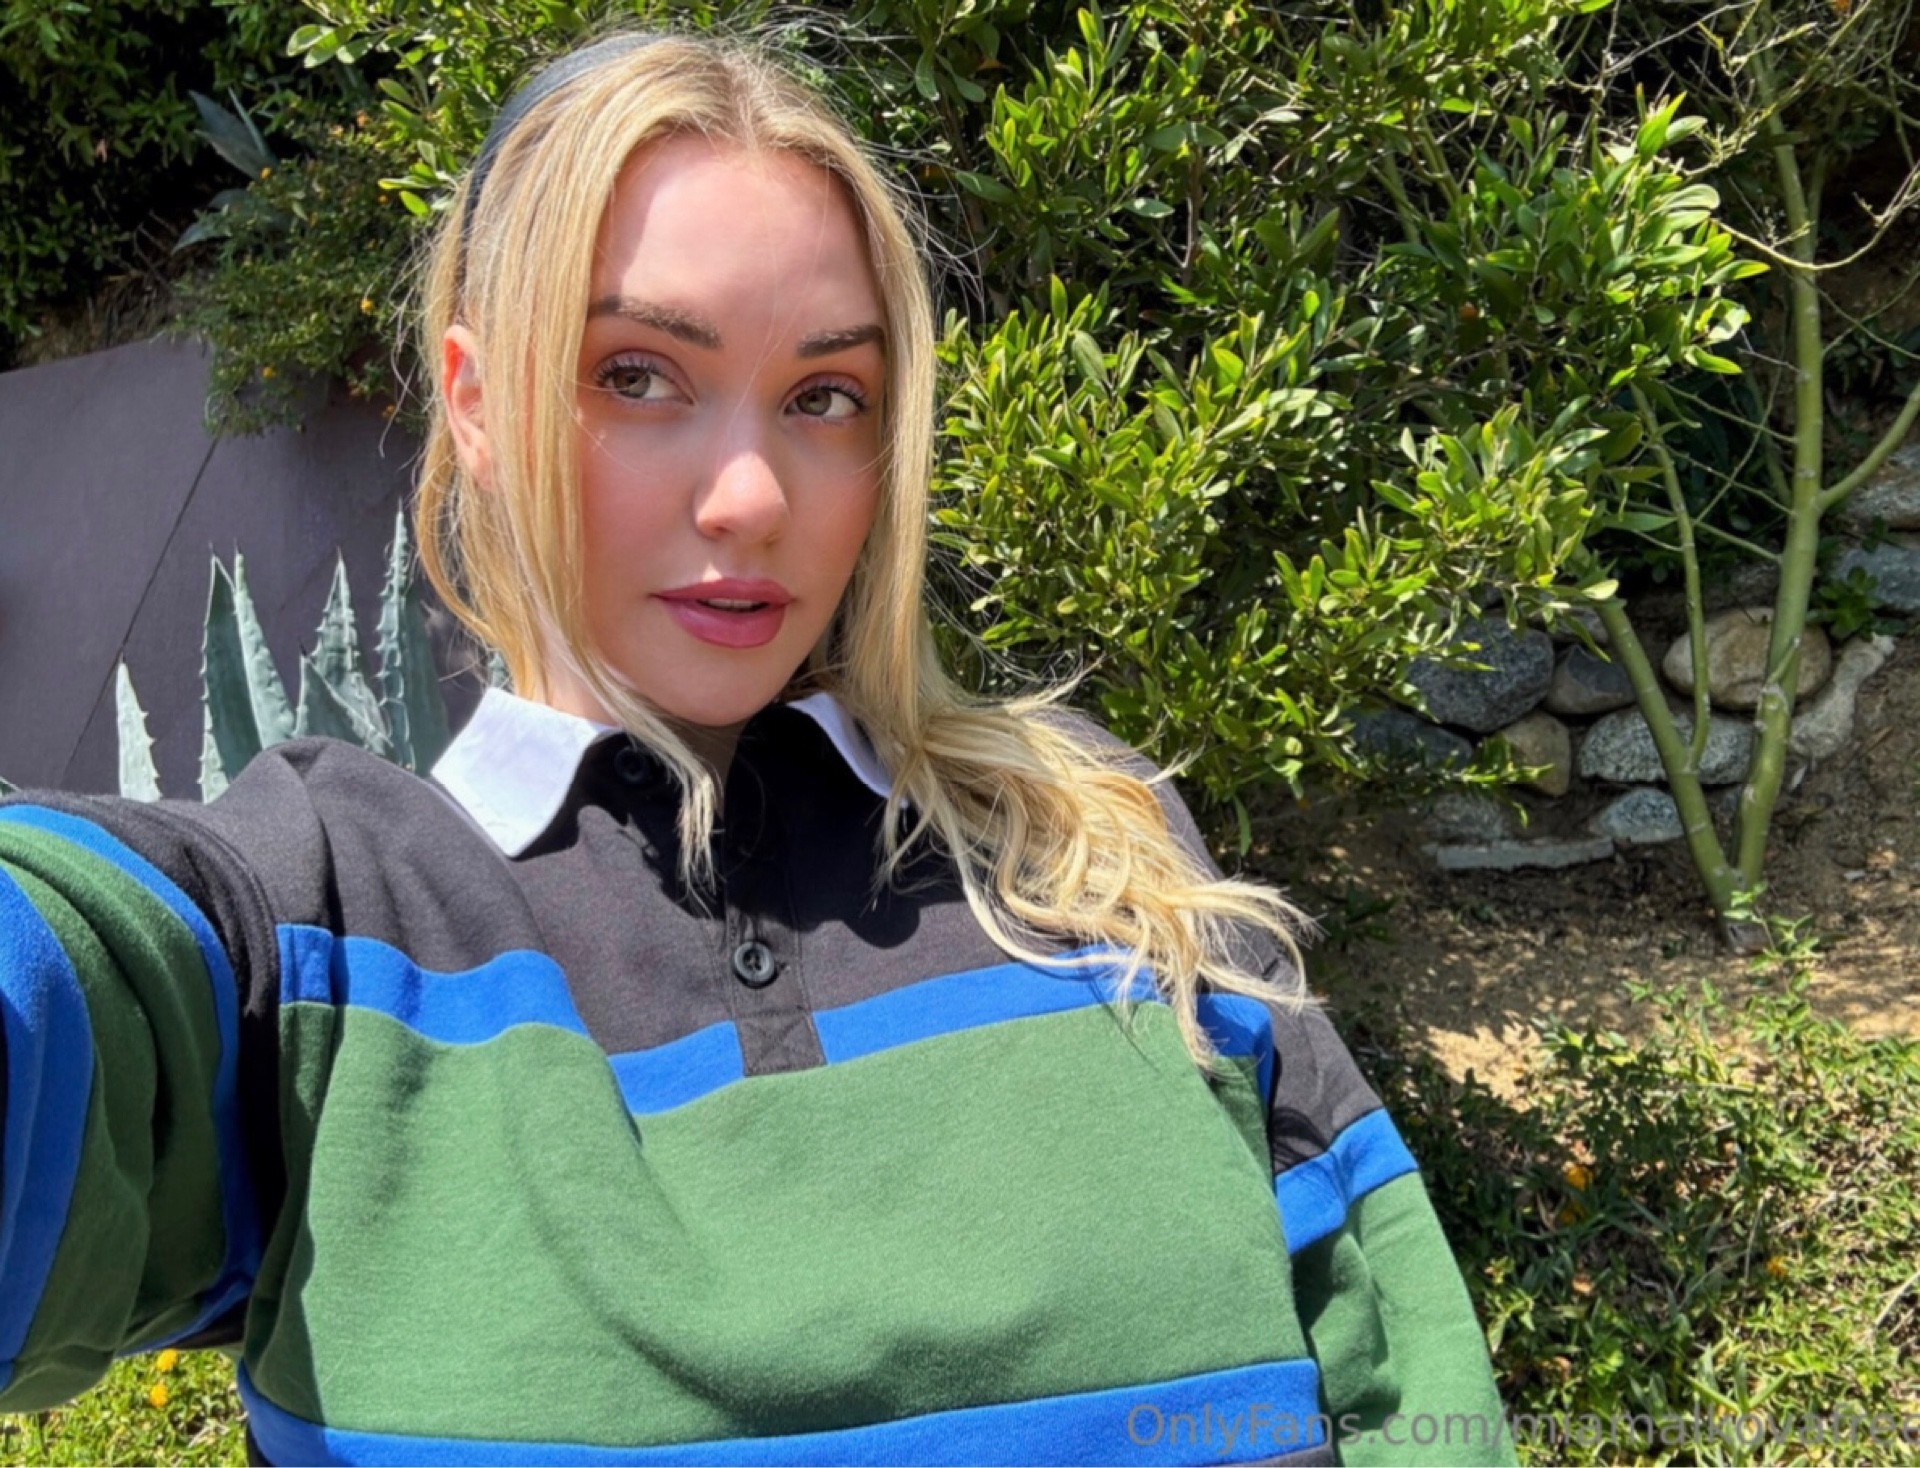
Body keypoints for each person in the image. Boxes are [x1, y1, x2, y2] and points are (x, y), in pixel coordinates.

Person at [0, 30, 1513, 1467]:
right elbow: (67, 982)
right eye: (638, 375)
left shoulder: (1087, 838)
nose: (752, 498)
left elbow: (1407, 1382)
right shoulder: (319, 933)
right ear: (475, 404)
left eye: (825, 397)